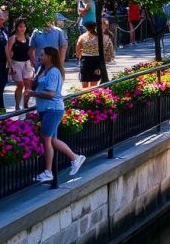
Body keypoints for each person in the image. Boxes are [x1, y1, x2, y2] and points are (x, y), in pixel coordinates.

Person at [26, 47, 85, 183]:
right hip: (47, 109)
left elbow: (50, 93)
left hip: (52, 109)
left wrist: (32, 93)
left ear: (50, 57)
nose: (40, 57)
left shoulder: (53, 72)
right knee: (51, 140)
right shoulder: (45, 70)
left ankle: (50, 170)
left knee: (47, 139)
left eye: (42, 55)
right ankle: (74, 158)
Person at [7, 18, 35, 110]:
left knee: (28, 85)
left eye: (24, 26)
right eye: (20, 26)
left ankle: (26, 105)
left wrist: (33, 61)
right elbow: (8, 52)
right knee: (20, 84)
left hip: (27, 63)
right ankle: (17, 106)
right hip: (16, 63)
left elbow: (31, 52)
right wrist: (10, 66)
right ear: (17, 27)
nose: (23, 28)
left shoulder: (28, 38)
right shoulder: (13, 38)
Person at [76, 22, 107, 89]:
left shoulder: (82, 37)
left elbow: (77, 52)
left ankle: (84, 97)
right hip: (96, 60)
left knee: (84, 83)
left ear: (86, 27)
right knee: (94, 83)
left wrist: (81, 53)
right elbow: (104, 49)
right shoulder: (100, 37)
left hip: (85, 60)